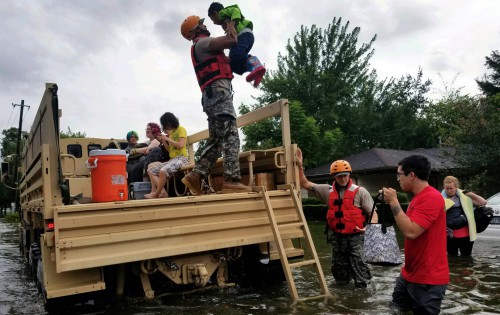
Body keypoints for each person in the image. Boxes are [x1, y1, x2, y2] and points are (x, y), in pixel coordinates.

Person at [180, 15, 252, 195]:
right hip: (218, 95)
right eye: (202, 23)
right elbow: (232, 40)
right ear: (196, 29)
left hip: (212, 96)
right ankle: (232, 181)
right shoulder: (203, 43)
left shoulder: (202, 47)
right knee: (230, 135)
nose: (206, 25)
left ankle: (196, 176)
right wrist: (230, 23)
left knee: (217, 140)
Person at [296, 148, 376, 288]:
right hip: (337, 239)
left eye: (345, 175)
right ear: (334, 177)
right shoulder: (327, 191)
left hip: (356, 237)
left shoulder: (360, 192)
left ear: (349, 174)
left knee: (360, 271)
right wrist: (299, 165)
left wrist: (369, 227)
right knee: (339, 273)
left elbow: (373, 213)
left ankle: (364, 297)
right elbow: (304, 183)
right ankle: (343, 296)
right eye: (339, 176)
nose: (343, 178)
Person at [381, 155, 449, 314]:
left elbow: (411, 232)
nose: (398, 179)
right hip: (409, 274)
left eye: (399, 174)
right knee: (396, 309)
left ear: (411, 175)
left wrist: (393, 201)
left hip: (428, 280)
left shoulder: (431, 197)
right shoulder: (419, 198)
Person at [207, 2, 266, 87]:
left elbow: (236, 10)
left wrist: (231, 25)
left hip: (244, 35)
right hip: (243, 38)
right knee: (232, 64)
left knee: (235, 55)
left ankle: (255, 64)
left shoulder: (223, 12)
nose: (214, 22)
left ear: (215, 13)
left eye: (213, 19)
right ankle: (255, 71)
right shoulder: (225, 21)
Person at [145, 113, 189, 199]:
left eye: (165, 124)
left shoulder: (181, 129)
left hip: (182, 158)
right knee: (151, 170)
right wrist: (164, 141)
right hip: (173, 159)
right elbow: (170, 150)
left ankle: (157, 193)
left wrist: (167, 139)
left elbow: (181, 145)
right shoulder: (172, 133)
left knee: (163, 171)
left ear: (169, 122)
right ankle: (162, 192)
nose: (165, 127)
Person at [442, 175, 487, 256]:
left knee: (466, 258)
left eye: (451, 188)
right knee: (452, 258)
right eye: (447, 188)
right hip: (448, 234)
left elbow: (483, 202)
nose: (449, 191)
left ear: (456, 187)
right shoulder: (439, 198)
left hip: (465, 233)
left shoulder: (464, 196)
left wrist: (472, 195)